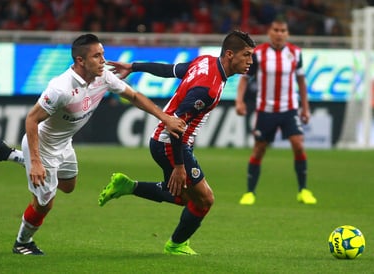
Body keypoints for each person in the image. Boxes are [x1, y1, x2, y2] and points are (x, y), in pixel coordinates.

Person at [0, 33, 186, 255]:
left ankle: (7, 153)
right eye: (97, 56)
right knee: (45, 203)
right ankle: (22, 242)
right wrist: (37, 162)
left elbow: (134, 96)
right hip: (43, 145)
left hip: (64, 144)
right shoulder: (60, 88)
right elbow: (31, 119)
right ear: (80, 61)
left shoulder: (103, 77)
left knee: (68, 186)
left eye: (103, 54)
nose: (103, 60)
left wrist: (165, 118)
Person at [98, 30, 256, 255]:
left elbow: (170, 70)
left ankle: (128, 186)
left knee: (183, 197)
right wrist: (180, 166)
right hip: (170, 142)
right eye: (247, 55)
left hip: (168, 141)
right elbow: (175, 125)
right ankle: (176, 245)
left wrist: (133, 66)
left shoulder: (206, 62)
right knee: (204, 200)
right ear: (230, 54)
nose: (250, 61)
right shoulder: (207, 89)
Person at [235, 19, 317, 205]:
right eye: (276, 30)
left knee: (298, 144)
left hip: (289, 109)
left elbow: (302, 82)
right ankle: (250, 192)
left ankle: (303, 190)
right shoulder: (259, 54)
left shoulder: (295, 53)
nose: (279, 33)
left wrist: (305, 108)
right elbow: (245, 79)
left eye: (283, 30)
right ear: (269, 32)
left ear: (287, 33)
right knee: (259, 150)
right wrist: (239, 101)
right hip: (266, 110)